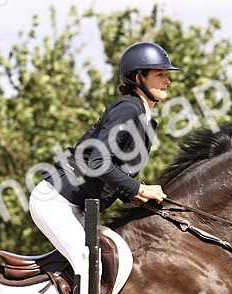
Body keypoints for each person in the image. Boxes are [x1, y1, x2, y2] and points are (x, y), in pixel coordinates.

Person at [29, 42, 178, 272]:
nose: (167, 81)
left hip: (80, 206)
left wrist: (134, 194)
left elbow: (116, 170)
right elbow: (99, 162)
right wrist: (138, 189)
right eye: (160, 74)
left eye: (166, 75)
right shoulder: (129, 109)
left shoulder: (147, 120)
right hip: (56, 201)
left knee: (114, 259)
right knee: (89, 263)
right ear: (138, 79)